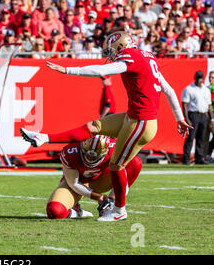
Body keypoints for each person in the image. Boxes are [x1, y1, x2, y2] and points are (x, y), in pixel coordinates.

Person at [20, 31, 192, 222]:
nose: (110, 54)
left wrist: (69, 70)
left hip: (142, 122)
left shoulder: (131, 57)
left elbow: (102, 71)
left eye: (112, 50)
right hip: (133, 117)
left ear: (120, 46)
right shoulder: (147, 56)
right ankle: (43, 137)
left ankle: (119, 210)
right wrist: (179, 117)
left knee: (117, 165)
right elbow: (168, 89)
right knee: (94, 126)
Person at [47, 135, 142, 220]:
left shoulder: (115, 149)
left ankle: (114, 204)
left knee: (135, 162)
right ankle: (76, 211)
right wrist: (99, 197)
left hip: (102, 179)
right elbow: (74, 183)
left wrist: (111, 200)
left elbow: (123, 178)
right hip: (78, 182)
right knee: (55, 211)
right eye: (87, 154)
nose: (90, 159)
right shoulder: (71, 152)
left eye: (95, 157)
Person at [181, 71, 213, 165]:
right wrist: (187, 119)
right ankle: (186, 158)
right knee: (190, 138)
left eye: (201, 78)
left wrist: (211, 119)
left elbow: (209, 105)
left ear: (203, 79)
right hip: (193, 115)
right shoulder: (189, 89)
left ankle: (199, 158)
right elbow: (185, 105)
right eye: (198, 78)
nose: (199, 80)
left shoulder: (206, 90)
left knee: (201, 138)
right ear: (195, 78)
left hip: (203, 115)